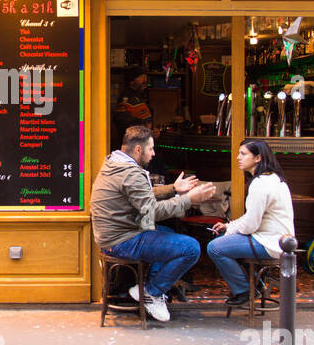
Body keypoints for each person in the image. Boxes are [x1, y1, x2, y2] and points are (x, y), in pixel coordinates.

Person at [91, 124, 217, 322]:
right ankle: (152, 292)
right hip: (123, 241)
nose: (154, 153)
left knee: (165, 231)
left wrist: (173, 189)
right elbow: (152, 212)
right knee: (191, 247)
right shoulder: (130, 173)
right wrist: (189, 199)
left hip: (112, 236)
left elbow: (141, 196)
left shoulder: (114, 164)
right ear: (138, 149)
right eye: (151, 149)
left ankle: (150, 288)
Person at [206, 138, 295, 306]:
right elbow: (250, 219)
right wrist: (229, 226)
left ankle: (244, 290)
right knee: (225, 241)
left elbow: (250, 225)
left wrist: (229, 230)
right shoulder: (274, 179)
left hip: (269, 243)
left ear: (258, 158)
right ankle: (256, 284)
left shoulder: (260, 184)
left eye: (243, 154)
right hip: (279, 241)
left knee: (215, 247)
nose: (238, 157)